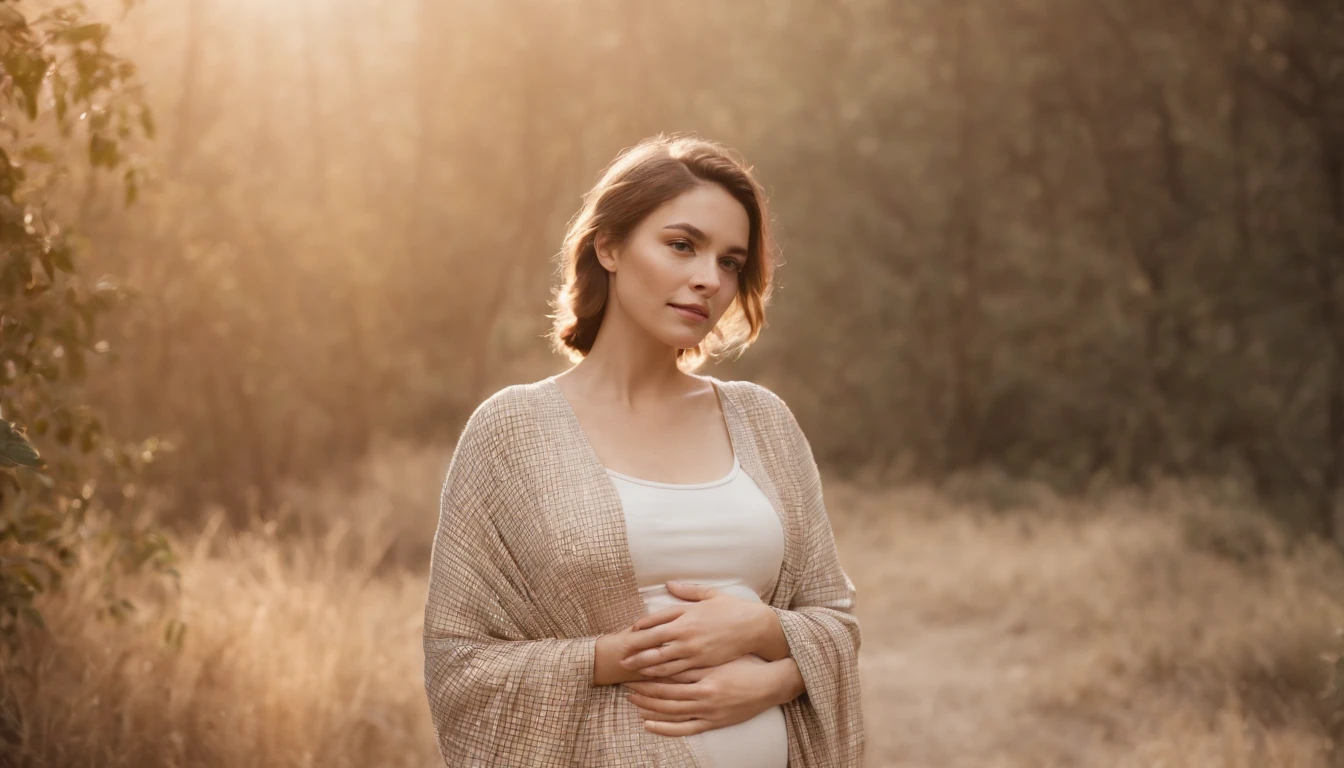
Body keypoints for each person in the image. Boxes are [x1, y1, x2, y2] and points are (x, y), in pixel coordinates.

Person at [422, 133, 864, 766]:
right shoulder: (514, 431)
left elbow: (835, 620)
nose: (708, 280)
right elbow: (459, 663)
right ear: (609, 246)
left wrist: (774, 656)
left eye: (731, 262)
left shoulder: (763, 421)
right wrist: (608, 660)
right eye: (682, 245)